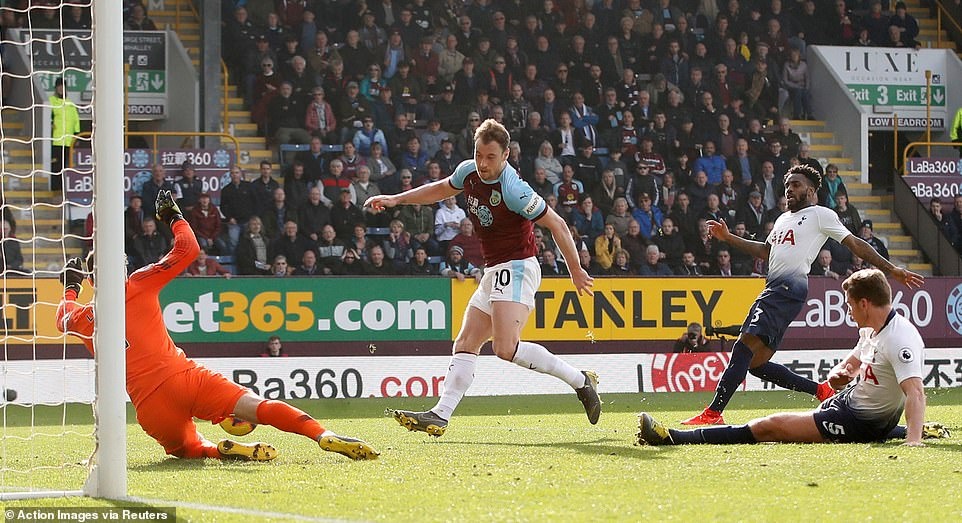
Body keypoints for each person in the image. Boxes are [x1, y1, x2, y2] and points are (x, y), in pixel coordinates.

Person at [56, 191, 377, 461]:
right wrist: (172, 215)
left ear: (91, 279)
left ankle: (217, 451)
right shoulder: (138, 283)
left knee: (188, 450)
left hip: (149, 405)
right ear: (124, 267)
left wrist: (70, 288)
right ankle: (323, 435)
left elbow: (61, 318)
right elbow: (189, 250)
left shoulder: (85, 318)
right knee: (260, 407)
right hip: (183, 378)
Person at [365, 119, 600, 437]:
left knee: (505, 348)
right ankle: (440, 414)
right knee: (465, 343)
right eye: (478, 155)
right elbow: (439, 189)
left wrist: (575, 269)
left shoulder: (513, 189)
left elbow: (556, 224)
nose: (483, 163)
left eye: (490, 156)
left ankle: (580, 381)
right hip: (494, 269)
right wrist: (396, 199)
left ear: (506, 155)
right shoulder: (468, 172)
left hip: (517, 266)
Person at [681, 165, 925, 426]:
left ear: (810, 189)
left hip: (786, 290)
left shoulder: (821, 215)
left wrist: (890, 269)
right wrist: (728, 238)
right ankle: (820, 391)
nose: (789, 189)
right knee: (755, 363)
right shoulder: (784, 219)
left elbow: (855, 243)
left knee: (743, 347)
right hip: (774, 289)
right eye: (787, 185)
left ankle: (713, 414)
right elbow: (766, 251)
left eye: (795, 184)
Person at [640, 269, 944, 447]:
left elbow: (915, 391)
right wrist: (841, 373)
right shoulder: (873, 328)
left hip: (854, 421)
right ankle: (906, 430)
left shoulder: (901, 338)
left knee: (771, 426)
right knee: (794, 419)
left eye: (851, 305)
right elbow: (853, 362)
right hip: (847, 402)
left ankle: (674, 437)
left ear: (865, 303)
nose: (848, 311)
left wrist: (913, 441)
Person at [49, 77, 80, 191]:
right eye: (59, 87)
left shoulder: (70, 103)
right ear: (56, 88)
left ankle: (63, 188)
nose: (61, 89)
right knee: (56, 165)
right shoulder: (51, 100)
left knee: (66, 165)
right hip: (56, 139)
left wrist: (77, 135)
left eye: (63, 87)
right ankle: (55, 187)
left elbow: (76, 121)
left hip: (69, 141)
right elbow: (48, 115)